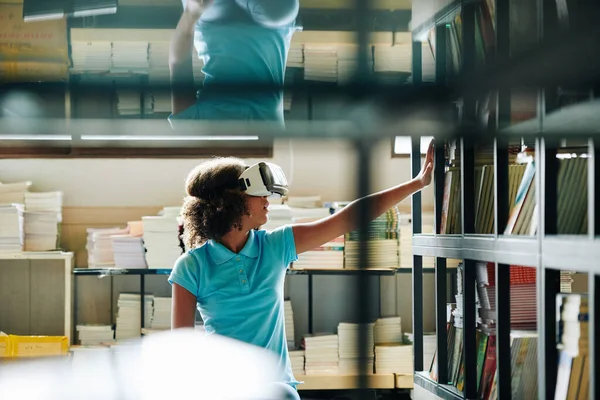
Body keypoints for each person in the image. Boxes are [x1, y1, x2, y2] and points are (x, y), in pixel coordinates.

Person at [168, 140, 435, 398]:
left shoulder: (275, 245)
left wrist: (417, 183)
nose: (267, 199)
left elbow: (349, 218)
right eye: (259, 193)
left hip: (277, 388)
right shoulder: (191, 266)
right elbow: (181, 349)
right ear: (230, 203)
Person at [168, 0, 300, 127]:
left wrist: (191, 12)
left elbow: (178, 63)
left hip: (213, 23)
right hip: (271, 24)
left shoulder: (193, 131)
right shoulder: (271, 142)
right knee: (277, 12)